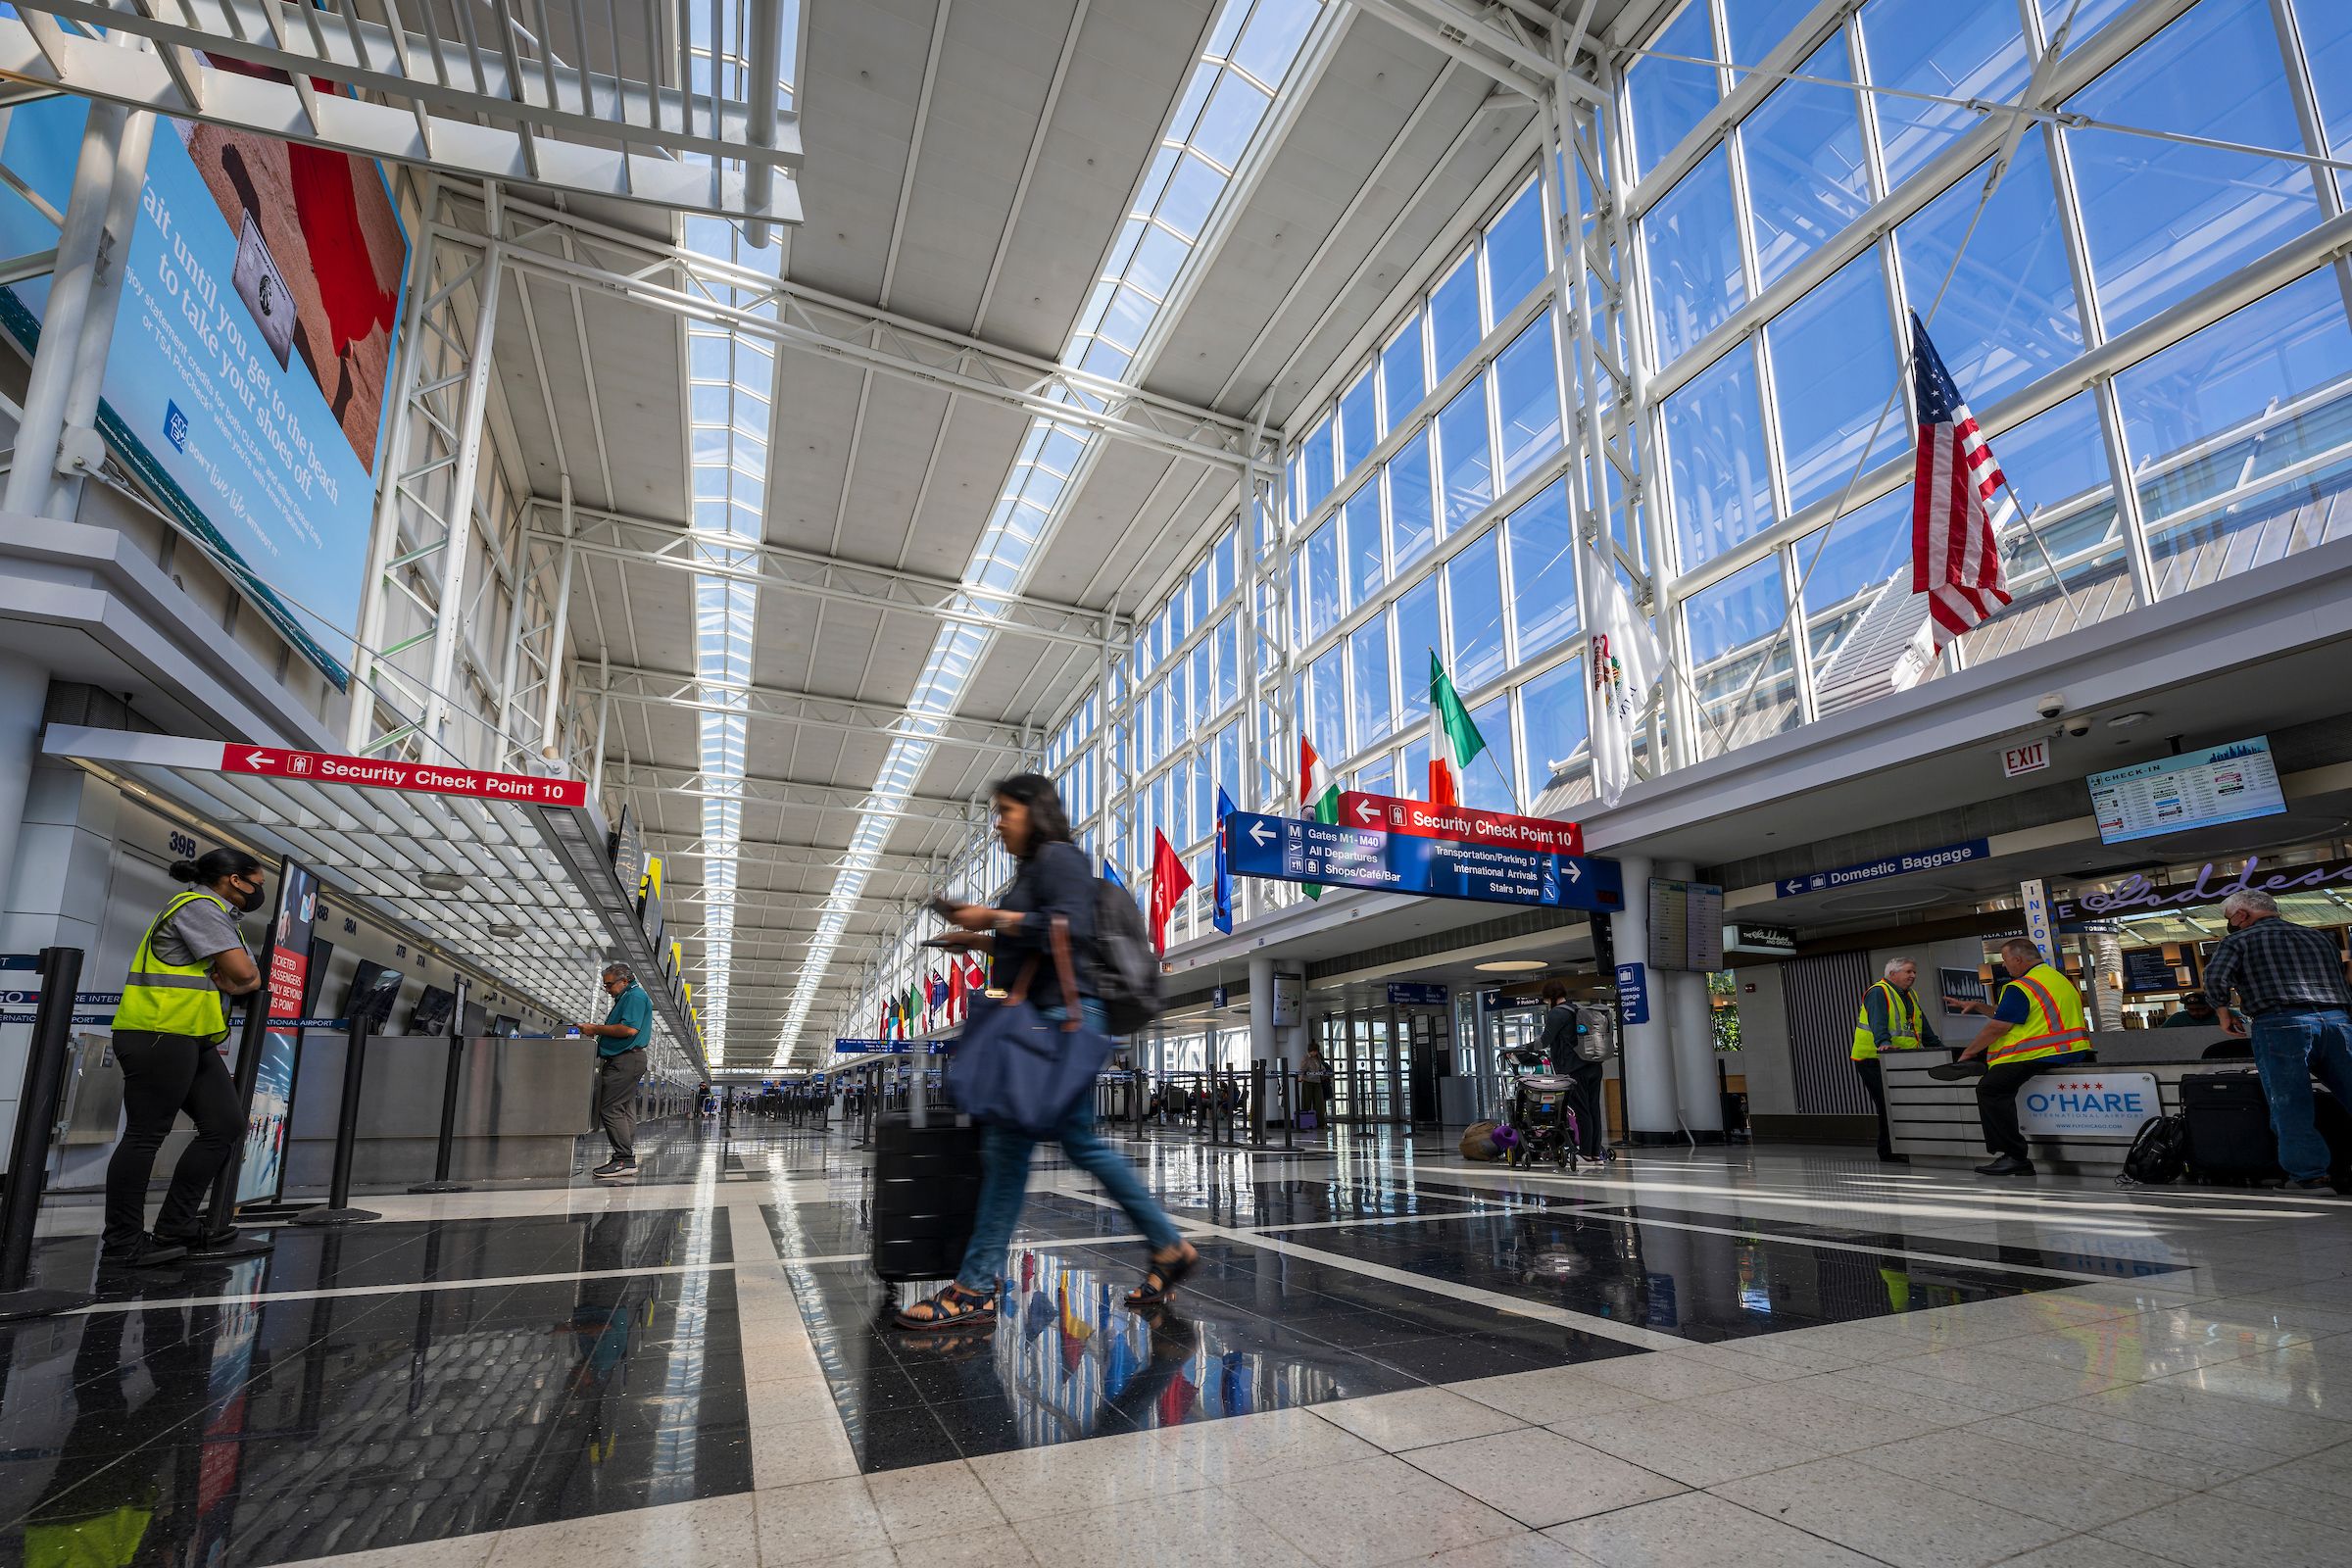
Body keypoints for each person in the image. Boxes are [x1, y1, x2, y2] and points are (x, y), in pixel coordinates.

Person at [894, 772, 1196, 1330]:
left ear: (1036, 811)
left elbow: (1068, 929)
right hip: (1055, 1021)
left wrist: (991, 918)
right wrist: (978, 938)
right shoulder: (1036, 870)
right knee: (1078, 1144)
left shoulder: (1060, 858)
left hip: (1057, 1021)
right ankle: (1167, 1246)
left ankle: (975, 1287)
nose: (1000, 822)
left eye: (1007, 810)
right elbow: (1037, 932)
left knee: (1008, 1153)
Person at [104, 849, 270, 1266]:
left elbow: (242, 979)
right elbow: (247, 976)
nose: (258, 892)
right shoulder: (200, 907)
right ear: (235, 880)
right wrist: (240, 979)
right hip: (158, 1032)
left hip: (190, 1036)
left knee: (226, 1125)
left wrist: (239, 979)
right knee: (145, 1136)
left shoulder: (217, 912)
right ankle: (122, 1242)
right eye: (257, 883)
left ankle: (174, 1226)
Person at [2198, 890, 2352, 1195]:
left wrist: (2222, 1011)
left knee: (2290, 1103)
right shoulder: (2319, 937)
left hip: (2281, 1023)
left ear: (2242, 915)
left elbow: (2216, 979)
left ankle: (2311, 1176)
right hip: (2338, 1021)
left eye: (2231, 919)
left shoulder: (2237, 941)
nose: (2232, 924)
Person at [1948, 938, 2090, 1177]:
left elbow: (1998, 1027)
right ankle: (2015, 1157)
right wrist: (1979, 1006)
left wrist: (1969, 1053)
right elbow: (2019, 1012)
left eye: (2004, 960)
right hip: (2070, 1050)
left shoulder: (2020, 986)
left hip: (2041, 1054)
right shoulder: (2057, 979)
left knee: (1990, 1089)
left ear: (2017, 959)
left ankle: (2014, 1156)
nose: (2004, 966)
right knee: (1995, 1086)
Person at [1851, 958, 1940, 1164]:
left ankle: (1904, 1146)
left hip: (1901, 1059)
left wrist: (1936, 1045)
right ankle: (1888, 1151)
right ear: (1893, 974)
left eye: (1914, 972)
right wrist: (1883, 1042)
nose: (1913, 976)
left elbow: (1920, 1024)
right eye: (1908, 971)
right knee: (1888, 1105)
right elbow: (1877, 1020)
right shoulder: (1878, 992)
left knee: (1900, 1105)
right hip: (1874, 1058)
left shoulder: (1909, 995)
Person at [576, 962, 652, 1180]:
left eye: (609, 985)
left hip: (625, 1060)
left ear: (624, 981)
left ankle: (623, 1159)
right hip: (627, 1059)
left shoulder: (634, 996)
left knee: (610, 1108)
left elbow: (629, 1029)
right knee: (623, 1109)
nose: (607, 990)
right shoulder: (628, 997)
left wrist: (595, 1028)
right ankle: (625, 1156)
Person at [1538, 982, 1607, 1159]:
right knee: (1593, 1110)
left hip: (1575, 1069)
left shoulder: (1557, 1013)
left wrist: (1526, 1047)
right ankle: (1594, 1152)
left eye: (1546, 1000)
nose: (1546, 1003)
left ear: (1551, 998)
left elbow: (1545, 1040)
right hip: (1594, 1065)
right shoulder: (1577, 1009)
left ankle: (1584, 1152)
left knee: (1582, 1111)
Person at [1299, 1045, 1331, 1124]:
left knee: (1319, 1102)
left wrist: (1323, 1072)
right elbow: (1302, 1069)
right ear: (1311, 1051)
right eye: (1315, 1051)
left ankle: (1321, 1122)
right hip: (1308, 1082)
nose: (1316, 1053)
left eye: (1316, 1051)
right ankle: (1306, 1122)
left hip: (1317, 1081)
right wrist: (1301, 1077)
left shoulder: (1318, 1058)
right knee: (1307, 1102)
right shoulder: (1306, 1058)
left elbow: (1321, 1067)